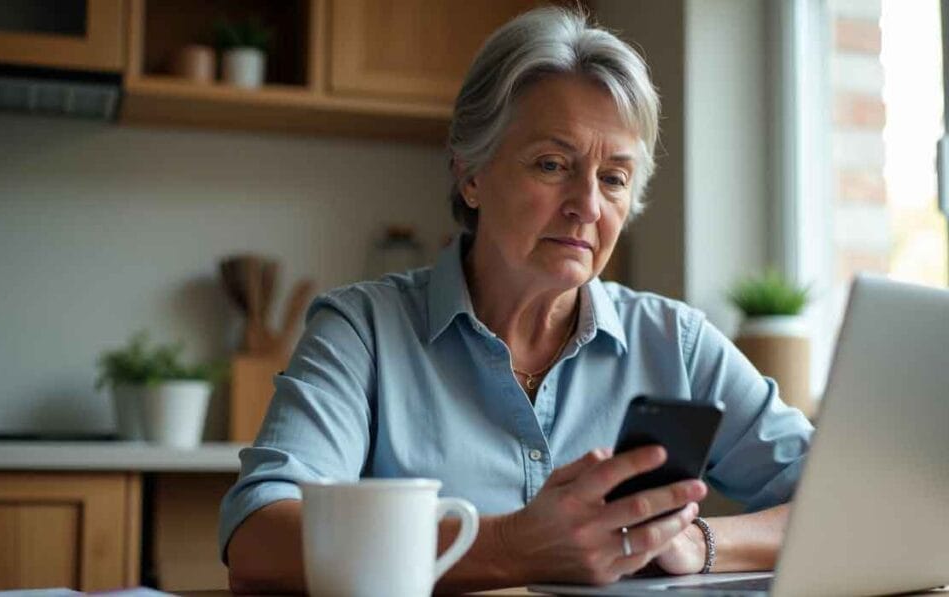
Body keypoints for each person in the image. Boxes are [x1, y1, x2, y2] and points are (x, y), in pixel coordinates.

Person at [220, 6, 813, 593]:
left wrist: (700, 544)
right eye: (552, 164)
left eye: (614, 178)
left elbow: (847, 497)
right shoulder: (363, 330)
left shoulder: (676, 342)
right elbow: (256, 534)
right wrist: (512, 546)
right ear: (470, 174)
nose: (587, 203)